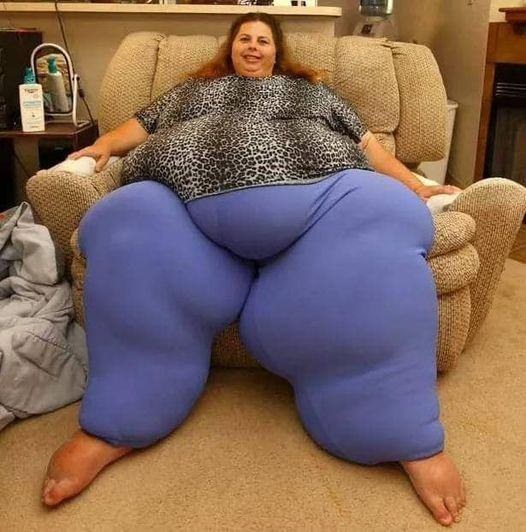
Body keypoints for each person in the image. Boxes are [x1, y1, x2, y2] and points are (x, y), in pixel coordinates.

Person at [41, 12, 466, 526]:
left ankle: (399, 432)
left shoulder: (314, 95)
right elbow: (140, 127)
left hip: (325, 211)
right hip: (184, 217)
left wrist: (417, 186)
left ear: (276, 52)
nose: (253, 45)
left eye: (263, 40)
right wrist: (104, 146)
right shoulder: (192, 92)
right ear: (231, 47)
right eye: (244, 38)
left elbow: (369, 147)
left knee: (385, 216)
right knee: (122, 221)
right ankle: (116, 424)